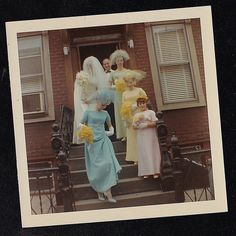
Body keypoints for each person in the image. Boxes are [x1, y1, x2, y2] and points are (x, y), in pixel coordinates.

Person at [80, 89, 121, 203]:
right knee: (97, 167)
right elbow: (80, 123)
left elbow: (110, 126)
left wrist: (111, 131)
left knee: (108, 163)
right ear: (97, 101)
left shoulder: (105, 114)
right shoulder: (88, 112)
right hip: (92, 141)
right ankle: (99, 190)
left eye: (105, 105)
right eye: (102, 104)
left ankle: (109, 193)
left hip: (103, 140)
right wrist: (85, 130)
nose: (103, 107)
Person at [73, 56, 109, 144]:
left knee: (96, 122)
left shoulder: (97, 77)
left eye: (91, 66)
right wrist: (82, 99)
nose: (89, 68)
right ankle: (87, 138)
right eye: (88, 66)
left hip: (94, 102)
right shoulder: (81, 76)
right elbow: (78, 91)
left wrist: (100, 102)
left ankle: (97, 138)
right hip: (85, 102)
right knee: (86, 120)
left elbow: (100, 91)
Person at [121, 69, 147, 164]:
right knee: (132, 137)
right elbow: (123, 105)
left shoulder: (139, 90)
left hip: (139, 113)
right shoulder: (124, 93)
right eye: (127, 82)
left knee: (140, 135)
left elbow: (145, 100)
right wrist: (125, 118)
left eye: (131, 82)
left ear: (134, 82)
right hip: (130, 116)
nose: (129, 84)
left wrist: (136, 105)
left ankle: (143, 156)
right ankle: (135, 157)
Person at [133, 96, 161, 179]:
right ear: (138, 105)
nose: (142, 105)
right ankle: (146, 171)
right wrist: (137, 125)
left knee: (152, 150)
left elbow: (155, 123)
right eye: (140, 104)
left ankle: (156, 171)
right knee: (144, 152)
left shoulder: (151, 112)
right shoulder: (136, 115)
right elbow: (134, 126)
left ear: (146, 103)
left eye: (143, 103)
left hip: (150, 134)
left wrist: (146, 125)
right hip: (141, 135)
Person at [109, 49, 130, 141]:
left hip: (126, 93)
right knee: (120, 113)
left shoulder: (127, 71)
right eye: (118, 60)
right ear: (115, 62)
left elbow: (131, 82)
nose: (120, 62)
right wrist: (115, 85)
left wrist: (125, 84)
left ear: (123, 61)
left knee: (127, 112)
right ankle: (123, 134)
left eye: (121, 60)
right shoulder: (113, 74)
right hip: (117, 95)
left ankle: (129, 132)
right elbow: (109, 85)